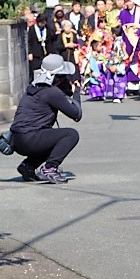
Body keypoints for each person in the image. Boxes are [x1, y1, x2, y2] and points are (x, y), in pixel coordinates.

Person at [10, 54, 83, 184]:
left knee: (49, 136)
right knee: (71, 134)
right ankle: (50, 168)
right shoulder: (52, 92)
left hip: (17, 140)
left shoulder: (34, 88)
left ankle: (28, 166)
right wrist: (76, 91)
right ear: (58, 78)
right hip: (30, 139)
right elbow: (76, 114)